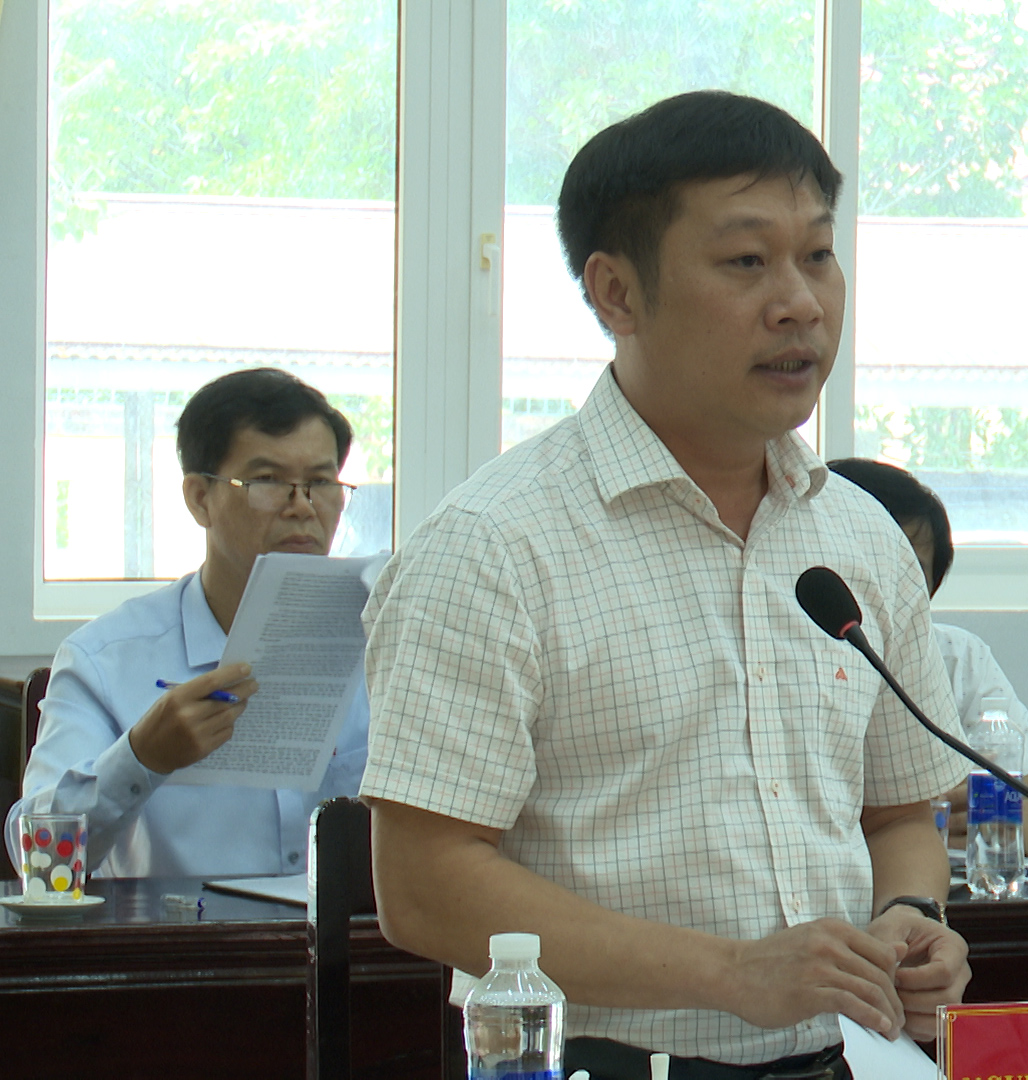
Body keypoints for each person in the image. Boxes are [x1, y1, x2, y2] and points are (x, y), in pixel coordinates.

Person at [358, 92, 969, 1080]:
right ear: (617, 294)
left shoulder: (860, 535)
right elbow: (424, 887)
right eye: (747, 261)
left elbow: (901, 813)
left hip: (850, 1059)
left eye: (818, 254)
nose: (801, 303)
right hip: (594, 1061)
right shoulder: (493, 548)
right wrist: (729, 973)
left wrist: (908, 914)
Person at [8, 367, 368, 879]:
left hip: (352, 932)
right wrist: (140, 757)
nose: (302, 508)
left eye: (321, 483)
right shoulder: (104, 659)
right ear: (200, 498)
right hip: (182, 931)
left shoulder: (384, 644)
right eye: (268, 481)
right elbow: (38, 861)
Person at [827, 457, 1028, 855]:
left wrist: (992, 816)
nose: (882, 585)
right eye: (864, 561)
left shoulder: (957, 658)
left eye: (908, 570)